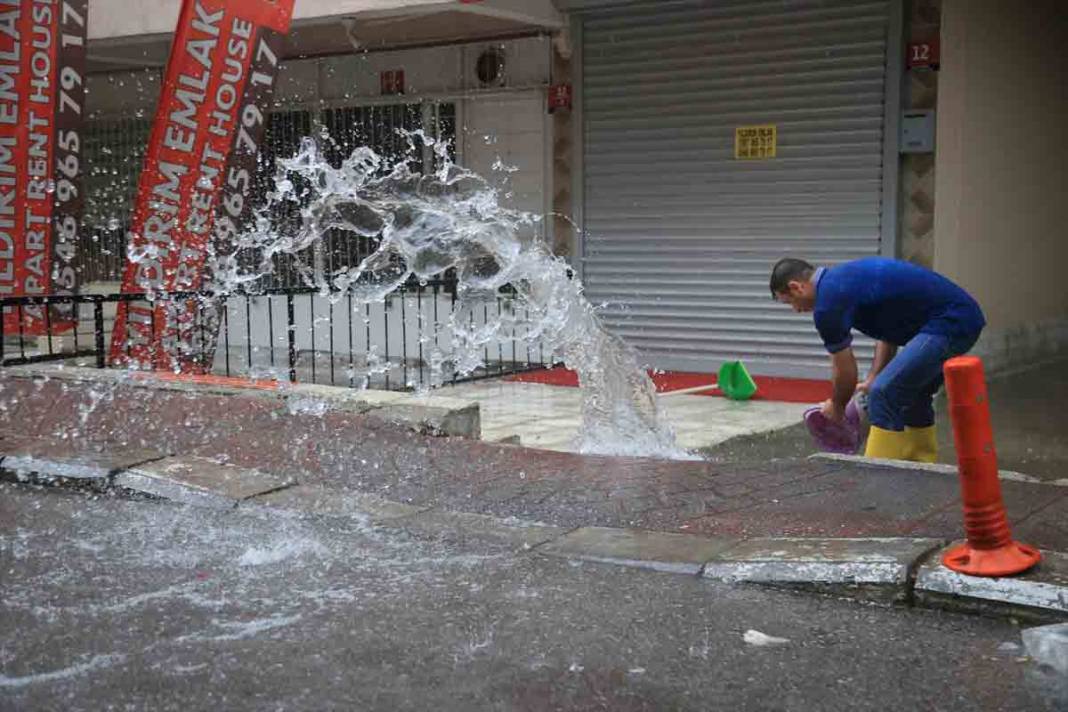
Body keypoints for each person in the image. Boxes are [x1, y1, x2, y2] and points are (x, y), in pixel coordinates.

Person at [769, 256, 986, 462]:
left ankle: (877, 480)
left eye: (791, 302)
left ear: (797, 287)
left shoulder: (828, 302)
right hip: (960, 317)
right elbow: (888, 332)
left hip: (950, 322)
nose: (797, 310)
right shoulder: (842, 281)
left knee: (884, 394)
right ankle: (923, 468)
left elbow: (844, 368)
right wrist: (873, 376)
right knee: (913, 396)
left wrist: (836, 407)